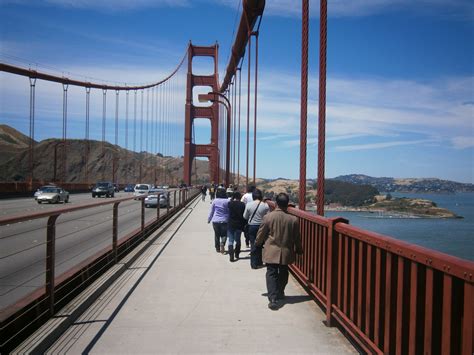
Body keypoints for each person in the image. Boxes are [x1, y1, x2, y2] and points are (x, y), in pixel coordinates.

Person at [255, 192, 303, 310]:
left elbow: (261, 234)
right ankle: (280, 292)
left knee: (271, 273)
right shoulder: (293, 219)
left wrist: (257, 243)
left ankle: (272, 298)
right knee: (283, 272)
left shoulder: (268, 217)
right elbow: (297, 237)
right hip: (286, 251)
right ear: (287, 204)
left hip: (271, 250)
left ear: (276, 204)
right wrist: (299, 249)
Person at [243, 188, 269, 269]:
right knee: (260, 244)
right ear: (261, 196)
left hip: (252, 226)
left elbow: (245, 216)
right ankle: (260, 261)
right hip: (262, 227)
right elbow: (268, 217)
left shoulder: (249, 205)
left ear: (253, 196)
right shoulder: (265, 205)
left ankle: (253, 263)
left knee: (253, 244)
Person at [208, 187, 229, 253]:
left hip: (215, 220)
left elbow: (212, 211)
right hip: (225, 220)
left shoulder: (215, 200)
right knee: (224, 234)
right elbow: (230, 211)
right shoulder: (228, 201)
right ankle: (222, 243)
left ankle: (217, 248)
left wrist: (209, 219)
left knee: (217, 234)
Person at [227, 191, 246, 262]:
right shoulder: (242, 204)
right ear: (240, 197)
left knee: (230, 240)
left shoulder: (229, 204)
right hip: (239, 224)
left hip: (231, 224)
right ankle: (237, 254)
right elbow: (244, 215)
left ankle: (231, 253)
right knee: (238, 240)